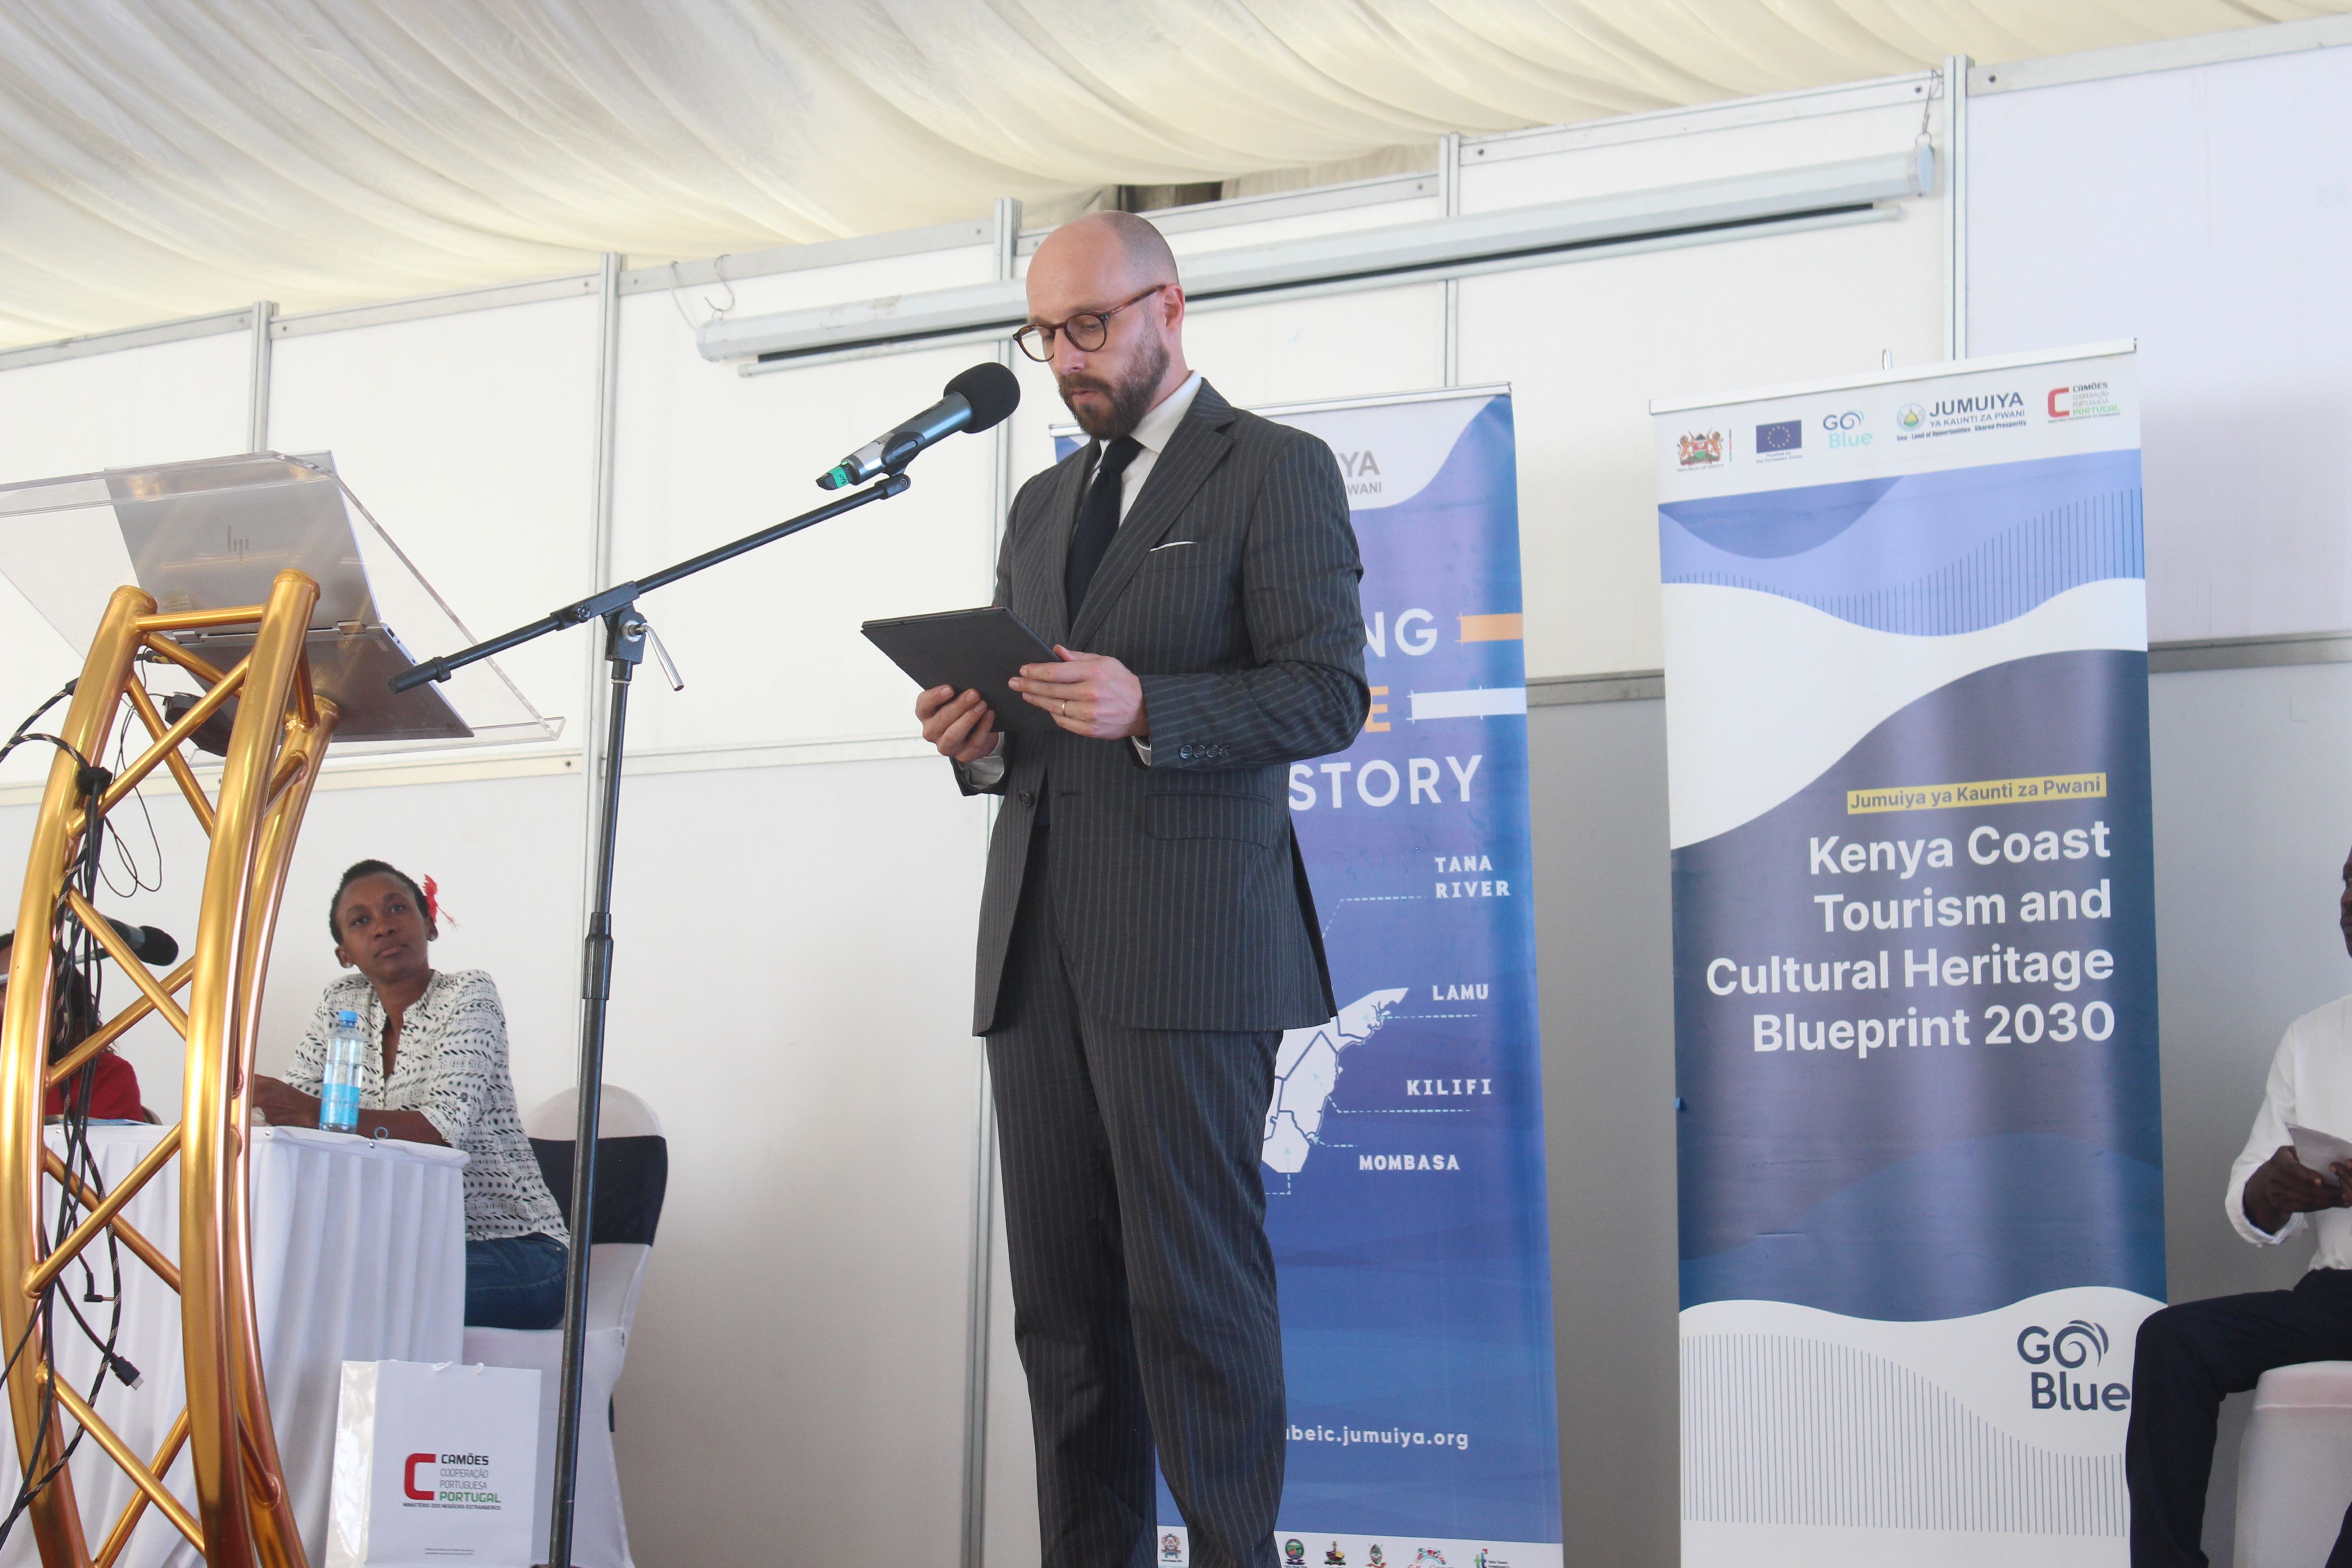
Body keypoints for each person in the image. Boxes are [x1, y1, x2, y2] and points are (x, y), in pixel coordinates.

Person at [916, 211, 1368, 1568]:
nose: (1064, 358)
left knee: (1195, 1303)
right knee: (1061, 1318)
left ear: (1168, 305)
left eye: (1087, 326)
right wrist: (977, 741)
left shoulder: (1273, 468)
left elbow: (1327, 692)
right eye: (1043, 335)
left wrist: (1151, 704)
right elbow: (1030, 729)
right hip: (1034, 949)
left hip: (1188, 952)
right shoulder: (1039, 505)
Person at [2129, 845, 2352, 1566]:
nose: (2348, 902)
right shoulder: (2311, 1036)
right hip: (2337, 1292)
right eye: (2347, 883)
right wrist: (2273, 1192)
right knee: (2172, 1341)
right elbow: (2251, 1190)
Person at [249, 860, 570, 1331]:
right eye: (361, 921)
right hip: (398, 1248)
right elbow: (287, 1114)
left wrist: (308, 1112)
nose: (383, 926)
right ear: (345, 954)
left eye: (397, 908)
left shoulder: (468, 994)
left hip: (517, 1249)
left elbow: (441, 1129)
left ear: (430, 925)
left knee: (351, 1291)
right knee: (269, 1277)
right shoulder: (341, 1003)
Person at [0, 929, 151, 1121]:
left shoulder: (107, 1074)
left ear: (66, 993)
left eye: (38, 983)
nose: (23, 998)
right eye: (6, 986)